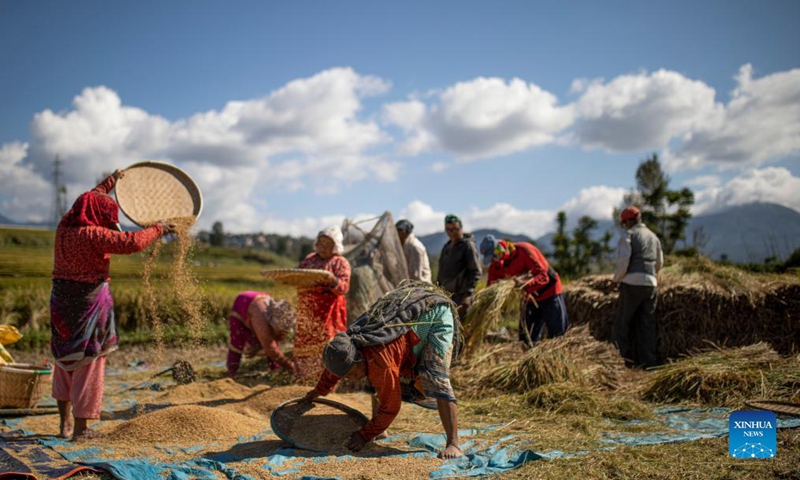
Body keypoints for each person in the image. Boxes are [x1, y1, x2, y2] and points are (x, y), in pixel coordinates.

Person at [50, 169, 174, 440]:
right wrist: (159, 228)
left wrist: (111, 181)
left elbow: (92, 197)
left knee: (64, 359)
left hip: (60, 302)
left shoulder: (64, 228)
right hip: (88, 305)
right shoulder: (94, 235)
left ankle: (64, 425)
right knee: (89, 361)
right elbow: (132, 242)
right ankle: (81, 430)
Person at [303, 282, 463, 459]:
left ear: (358, 359)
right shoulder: (348, 346)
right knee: (371, 379)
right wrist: (317, 392)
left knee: (434, 376)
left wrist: (363, 436)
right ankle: (380, 429)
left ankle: (453, 443)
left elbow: (391, 407)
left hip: (433, 313)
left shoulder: (380, 362)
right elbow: (336, 369)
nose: (350, 379)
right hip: (408, 316)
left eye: (351, 373)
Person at [480, 235, 568, 347]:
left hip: (549, 293)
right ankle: (531, 359)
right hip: (529, 298)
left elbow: (543, 276)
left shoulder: (524, 250)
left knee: (557, 333)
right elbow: (491, 286)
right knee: (526, 337)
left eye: (494, 255)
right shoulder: (497, 265)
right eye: (491, 258)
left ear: (500, 248)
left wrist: (524, 284)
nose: (494, 259)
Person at [294, 226, 351, 381]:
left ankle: (326, 381)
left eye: (327, 244)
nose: (323, 248)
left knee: (327, 342)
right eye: (321, 244)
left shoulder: (340, 262)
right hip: (308, 309)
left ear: (336, 246)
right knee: (305, 340)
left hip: (329, 311)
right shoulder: (310, 259)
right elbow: (298, 275)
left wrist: (332, 280)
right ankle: (304, 378)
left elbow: (344, 287)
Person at [611, 206, 664, 368]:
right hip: (651, 284)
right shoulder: (653, 237)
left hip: (632, 284)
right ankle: (648, 362)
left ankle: (618, 361)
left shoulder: (629, 235)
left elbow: (624, 262)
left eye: (624, 223)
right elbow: (659, 262)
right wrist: (651, 276)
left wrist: (615, 280)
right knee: (647, 325)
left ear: (628, 221)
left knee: (622, 323)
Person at [226, 292, 296, 377]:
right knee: (237, 342)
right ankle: (232, 373)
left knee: (269, 342)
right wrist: (292, 367)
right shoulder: (262, 323)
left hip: (259, 302)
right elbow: (272, 350)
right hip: (242, 303)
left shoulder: (276, 317)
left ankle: (275, 370)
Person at [436, 214, 481, 321]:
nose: (451, 232)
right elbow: (441, 271)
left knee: (460, 328)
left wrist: (468, 295)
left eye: (455, 229)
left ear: (461, 228)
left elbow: (475, 271)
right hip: (446, 295)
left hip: (461, 296)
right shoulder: (447, 247)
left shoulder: (467, 246)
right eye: (448, 229)